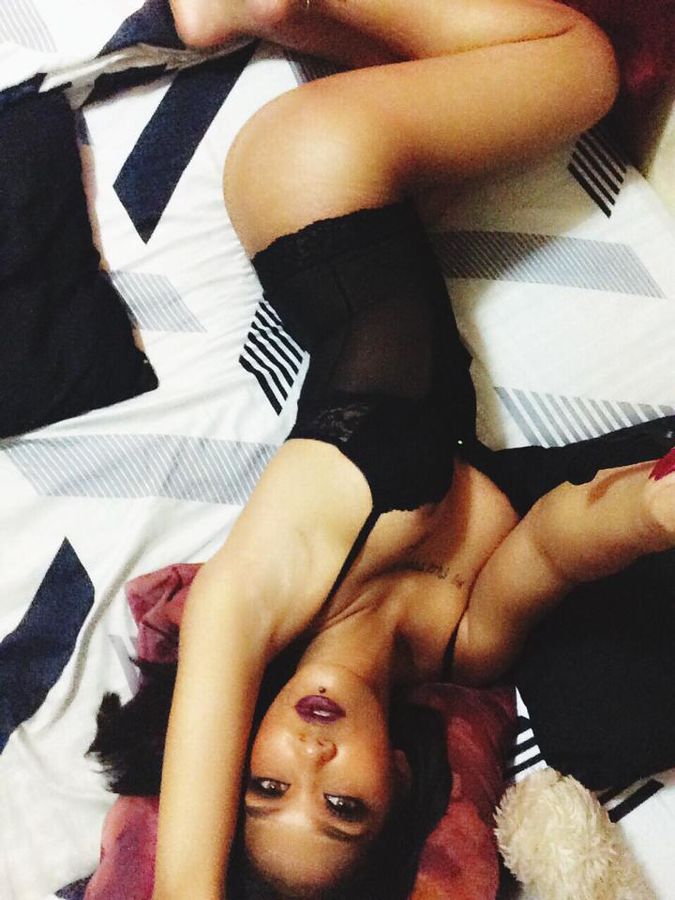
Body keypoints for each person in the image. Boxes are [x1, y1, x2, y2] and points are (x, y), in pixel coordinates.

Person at [91, 2, 675, 898]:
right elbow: (556, 545)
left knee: (580, 63)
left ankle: (263, 8)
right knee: (543, 59)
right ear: (398, 780)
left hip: (315, 181)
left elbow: (184, 887)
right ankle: (302, 18)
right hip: (382, 200)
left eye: (265, 786)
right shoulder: (462, 647)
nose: (310, 757)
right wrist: (648, 511)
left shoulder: (257, 600)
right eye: (342, 806)